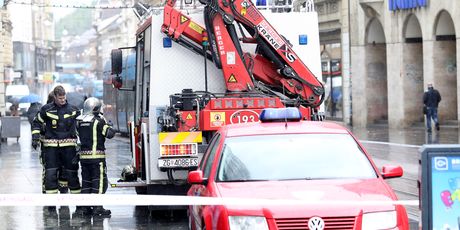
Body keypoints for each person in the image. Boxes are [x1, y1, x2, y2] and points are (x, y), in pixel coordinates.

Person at [31, 85, 83, 215]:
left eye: (64, 97)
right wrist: (35, 137)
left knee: (71, 174)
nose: (62, 100)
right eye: (60, 98)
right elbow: (36, 122)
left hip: (69, 148)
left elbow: (82, 126)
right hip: (51, 148)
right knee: (50, 175)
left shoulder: (73, 110)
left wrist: (84, 143)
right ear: (55, 97)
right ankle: (51, 205)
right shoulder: (46, 109)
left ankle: (79, 204)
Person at [76, 97, 115, 217]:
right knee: (99, 183)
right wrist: (109, 125)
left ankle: (85, 208)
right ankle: (97, 208)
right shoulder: (98, 121)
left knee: (86, 182)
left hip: (84, 159)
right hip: (97, 159)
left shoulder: (80, 121)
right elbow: (109, 134)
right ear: (96, 108)